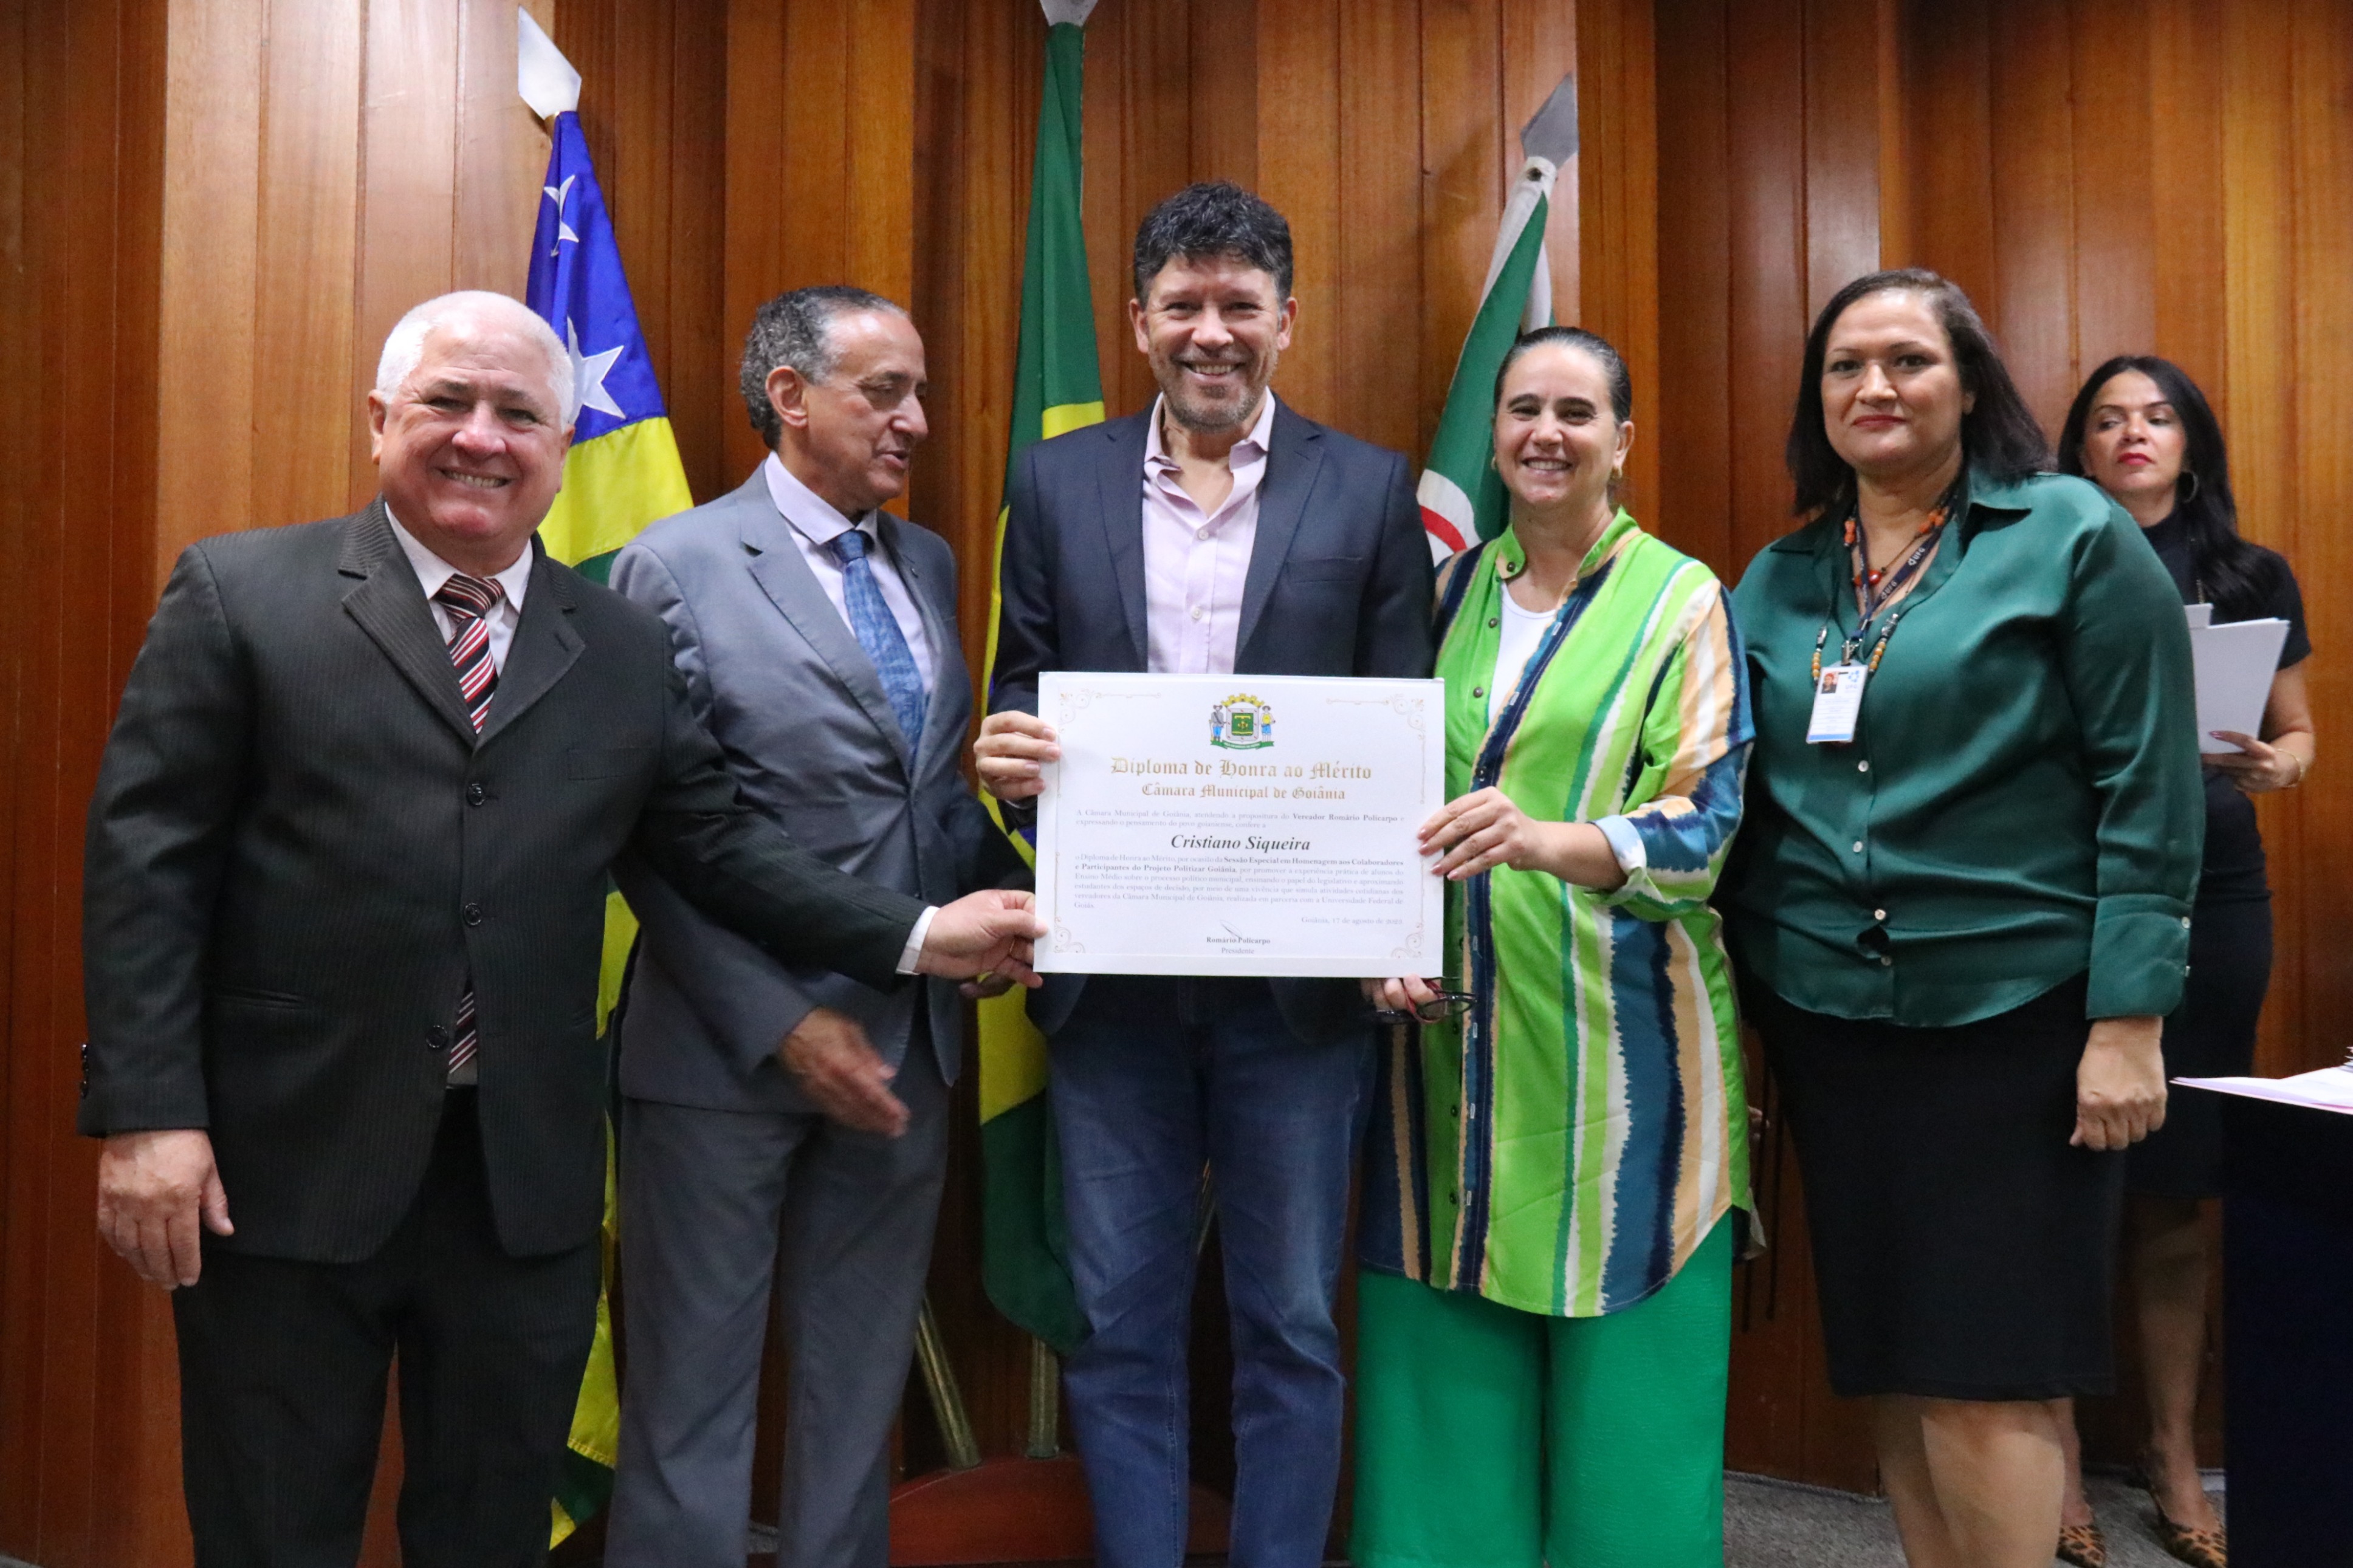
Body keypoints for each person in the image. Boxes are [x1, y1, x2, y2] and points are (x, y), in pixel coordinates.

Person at [79, 290, 1043, 1568]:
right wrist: (150, 1111)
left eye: (519, 414)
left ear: (561, 442)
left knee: (489, 1533)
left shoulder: (620, 642)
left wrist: (919, 933)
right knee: (275, 1530)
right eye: (448, 402)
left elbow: (714, 847)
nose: (482, 437)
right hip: (288, 1166)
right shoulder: (243, 593)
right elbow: (148, 866)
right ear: (379, 421)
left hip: (518, 1183)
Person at [972, 181, 1433, 1568]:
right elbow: (1021, 681)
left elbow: (1403, 726)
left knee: (1288, 1323)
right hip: (1111, 984)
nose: (1212, 331)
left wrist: (1400, 928)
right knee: (1120, 1324)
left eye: (1241, 304)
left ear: (1288, 320)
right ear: (1137, 322)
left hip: (1300, 996)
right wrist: (1009, 745)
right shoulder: (1057, 481)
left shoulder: (1370, 487)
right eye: (1184, 305)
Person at [1721, 269, 2204, 1568]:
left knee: (1988, 1368)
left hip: (2016, 1017)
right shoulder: (1782, 574)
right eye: (1844, 366)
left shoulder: (2069, 532)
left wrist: (2130, 1019)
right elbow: (1730, 791)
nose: (1873, 387)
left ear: (1972, 384)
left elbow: (2150, 785)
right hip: (1829, 1018)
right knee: (1892, 1357)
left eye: (1907, 360)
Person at [597, 286, 1025, 1568]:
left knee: (856, 1408)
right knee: (691, 1407)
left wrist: (1004, 915)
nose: (918, 420)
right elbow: (657, 837)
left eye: (920, 392)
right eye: (884, 391)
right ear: (788, 396)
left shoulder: (926, 561)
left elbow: (922, 801)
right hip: (723, 1055)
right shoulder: (672, 564)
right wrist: (782, 1020)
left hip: (906, 1051)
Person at [1355, 327, 1754, 1568]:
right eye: (1523, 408)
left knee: (1628, 1417)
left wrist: (1545, 840)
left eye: (1576, 413)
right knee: (1440, 1394)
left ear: (1621, 441)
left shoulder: (1683, 599)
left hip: (1624, 1060)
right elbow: (1368, 793)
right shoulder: (1439, 592)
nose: (1546, 433)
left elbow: (1704, 827)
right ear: (1493, 436)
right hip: (1438, 1054)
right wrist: (1372, 932)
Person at [2044, 355, 2314, 1568]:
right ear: (2079, 451)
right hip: (2070, 889)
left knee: (2178, 1189)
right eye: (2106, 420)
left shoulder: (2250, 576)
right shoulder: (2039, 563)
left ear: (2191, 441)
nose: (2132, 434)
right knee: (2058, 1186)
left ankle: (2167, 1456)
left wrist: (2276, 764)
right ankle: (2052, 1463)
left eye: (2155, 416)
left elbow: (2297, 735)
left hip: (2216, 892)